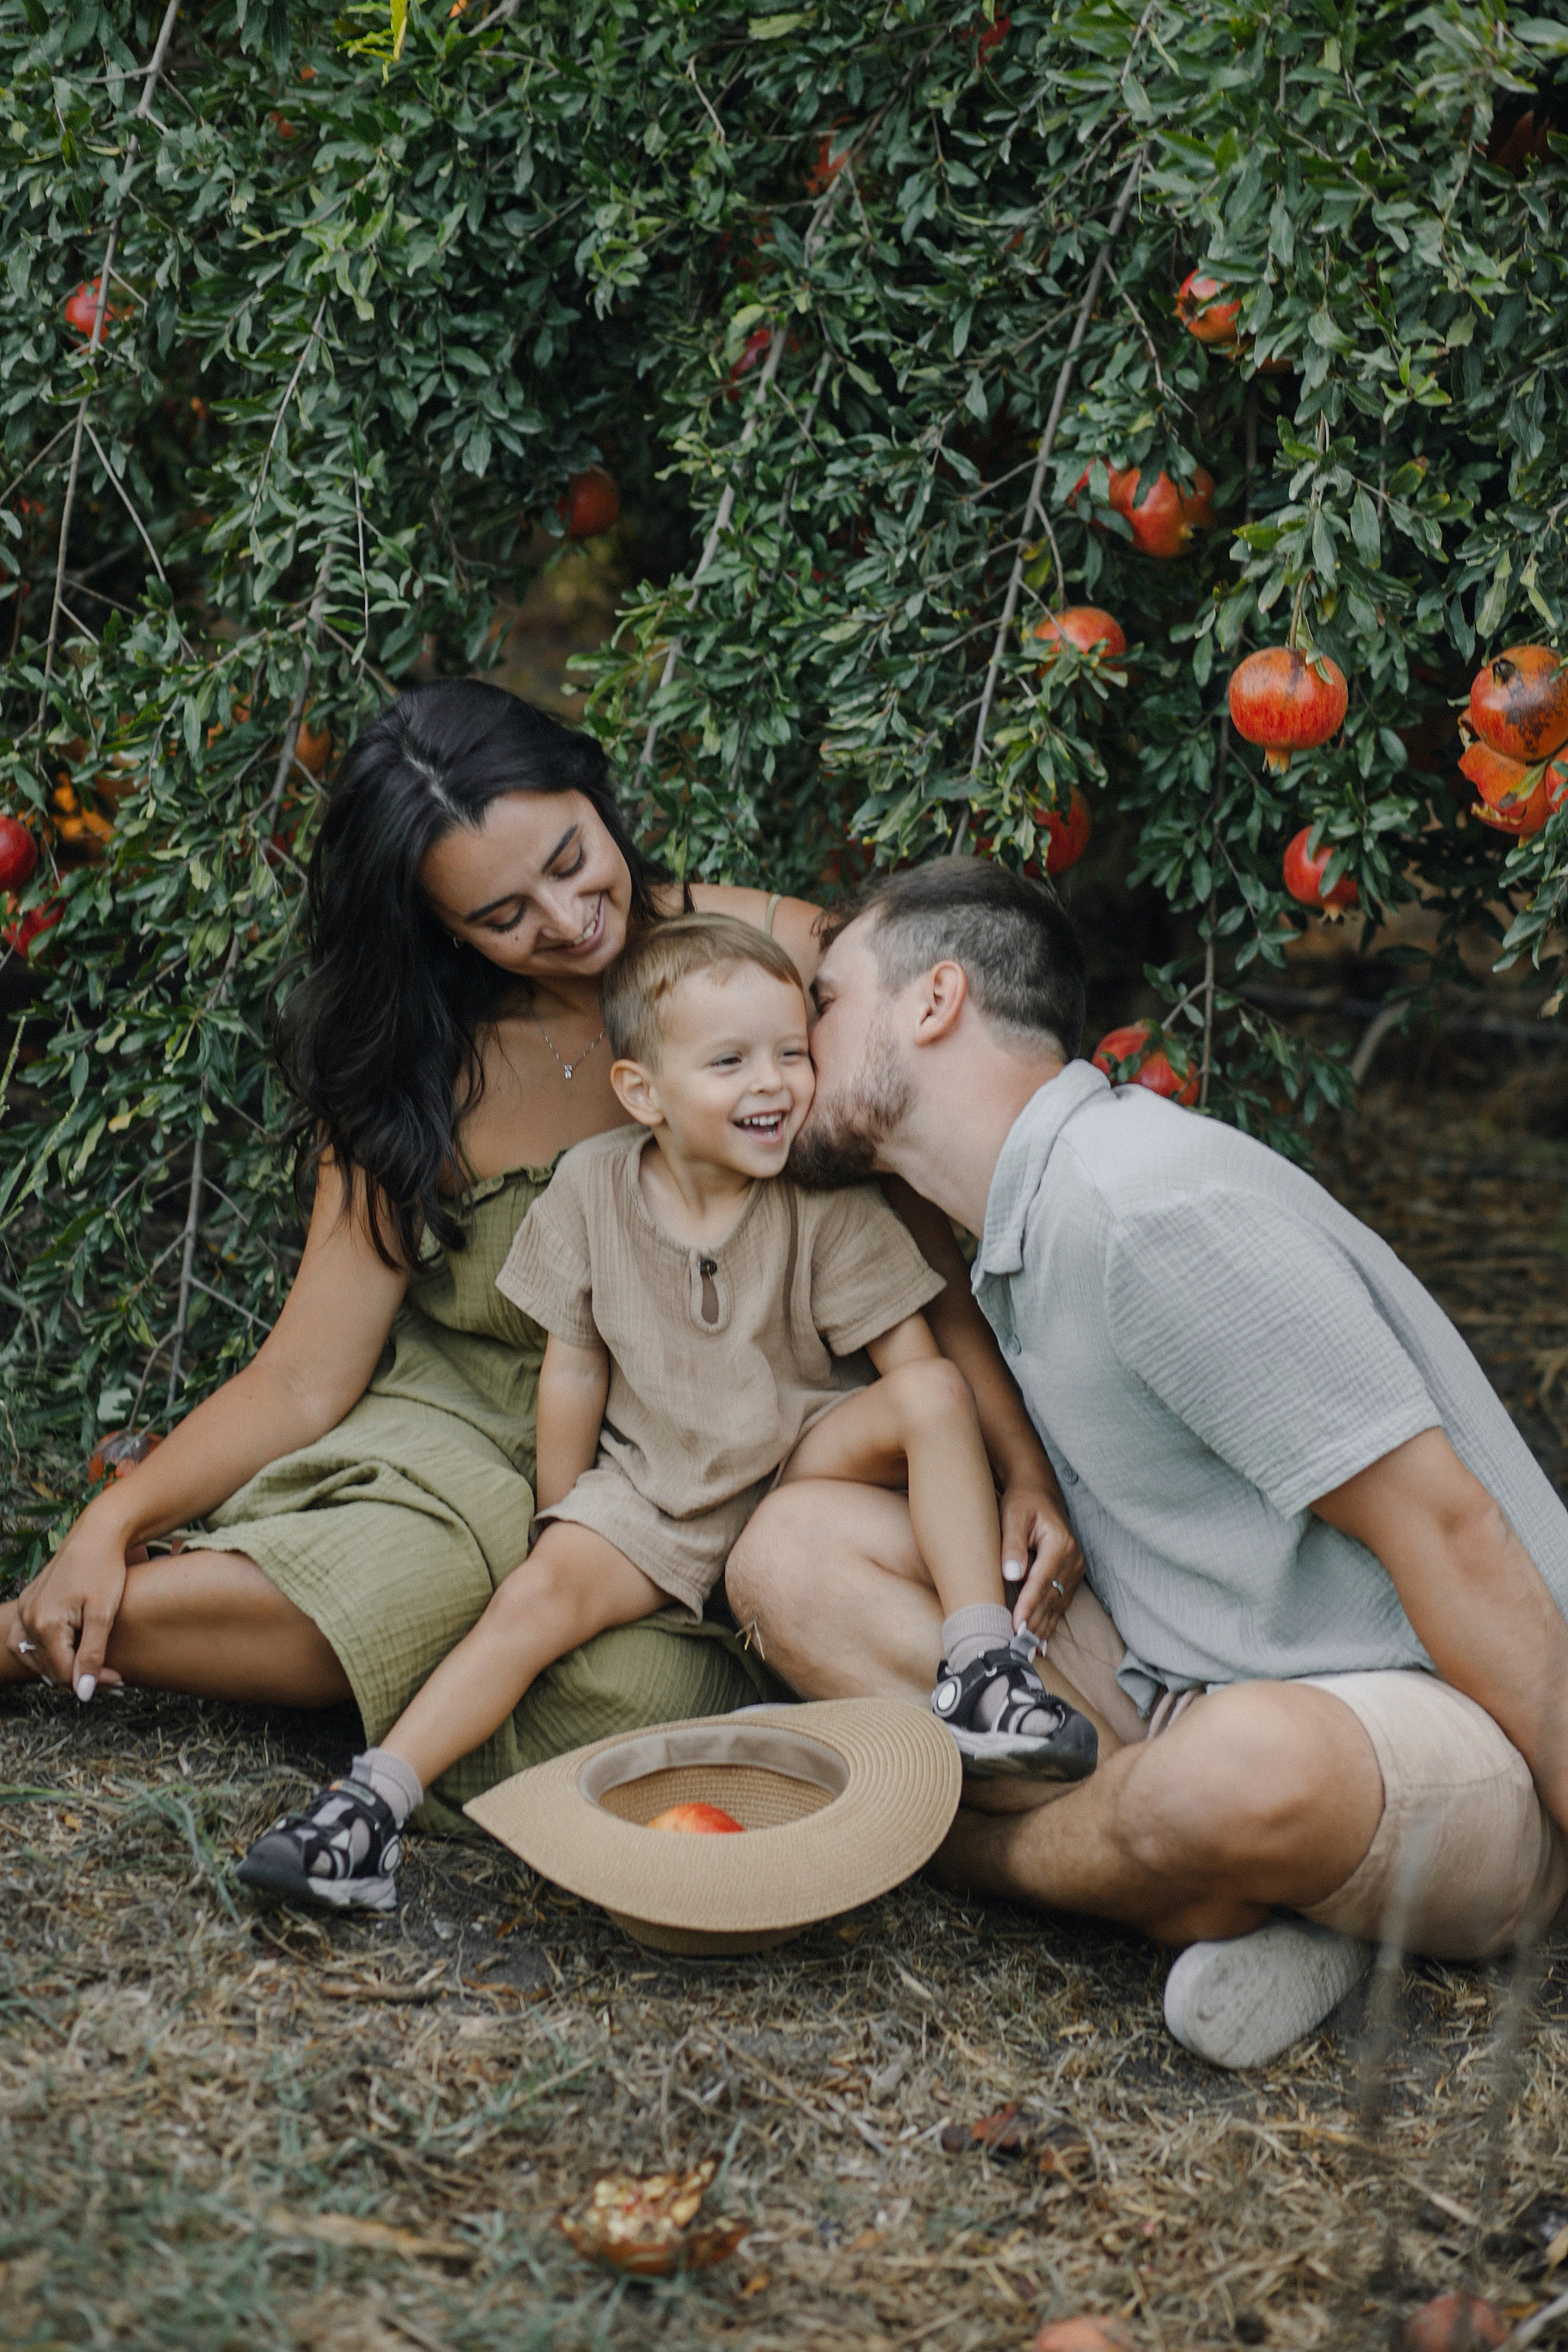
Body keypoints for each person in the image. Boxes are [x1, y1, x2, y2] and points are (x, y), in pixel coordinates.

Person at [1, 687, 1083, 1830]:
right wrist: (107, 1523)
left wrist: (1022, 1466)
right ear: (446, 931)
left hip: (709, 1444)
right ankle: (34, 1633)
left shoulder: (775, 965)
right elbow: (303, 1376)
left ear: (594, 791)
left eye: (574, 859)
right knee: (398, 1582)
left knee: (635, 1693)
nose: (569, 920)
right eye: (504, 914)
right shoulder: (425, 1063)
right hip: (473, 1419)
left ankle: (418, 1680)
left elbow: (910, 1239)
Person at [727, 856, 1568, 2069]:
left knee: (1237, 1772)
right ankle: (1214, 1882)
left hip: (1440, 1723)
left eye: (820, 1002)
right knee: (791, 1556)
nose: (790, 1050)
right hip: (1192, 1674)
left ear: (932, 1001)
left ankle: (1007, 1855)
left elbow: (1447, 1530)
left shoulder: (1143, 1205)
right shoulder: (1013, 1218)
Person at [237, 916, 1096, 1911]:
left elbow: (913, 1374)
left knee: (933, 1387)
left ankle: (982, 1667)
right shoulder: (591, 1188)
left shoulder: (826, 1206)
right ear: (643, 1092)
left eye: (790, 1053)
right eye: (730, 1061)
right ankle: (367, 1813)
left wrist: (986, 1472)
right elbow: (573, 1371)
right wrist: (562, 1521)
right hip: (654, 1491)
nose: (773, 1083)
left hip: (800, 1470)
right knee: (531, 1606)